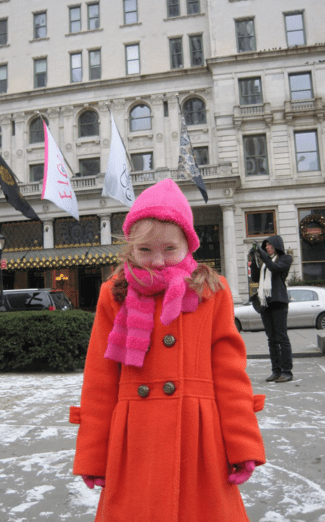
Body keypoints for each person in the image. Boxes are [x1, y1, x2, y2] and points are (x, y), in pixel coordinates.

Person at [69, 179, 266, 522]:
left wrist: (242, 444)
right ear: (130, 248)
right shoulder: (114, 294)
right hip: (135, 442)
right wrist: (94, 454)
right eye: (145, 250)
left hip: (199, 442)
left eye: (169, 249)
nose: (157, 261)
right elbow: (100, 379)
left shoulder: (211, 291)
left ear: (189, 245)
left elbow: (230, 374)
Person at [249, 235, 293, 383]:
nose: (267, 247)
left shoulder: (285, 259)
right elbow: (255, 278)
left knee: (281, 338)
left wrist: (261, 254)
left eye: (269, 245)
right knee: (271, 339)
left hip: (279, 302)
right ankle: (276, 371)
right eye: (265, 246)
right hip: (265, 303)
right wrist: (254, 260)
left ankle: (287, 372)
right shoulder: (264, 262)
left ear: (277, 245)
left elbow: (274, 268)